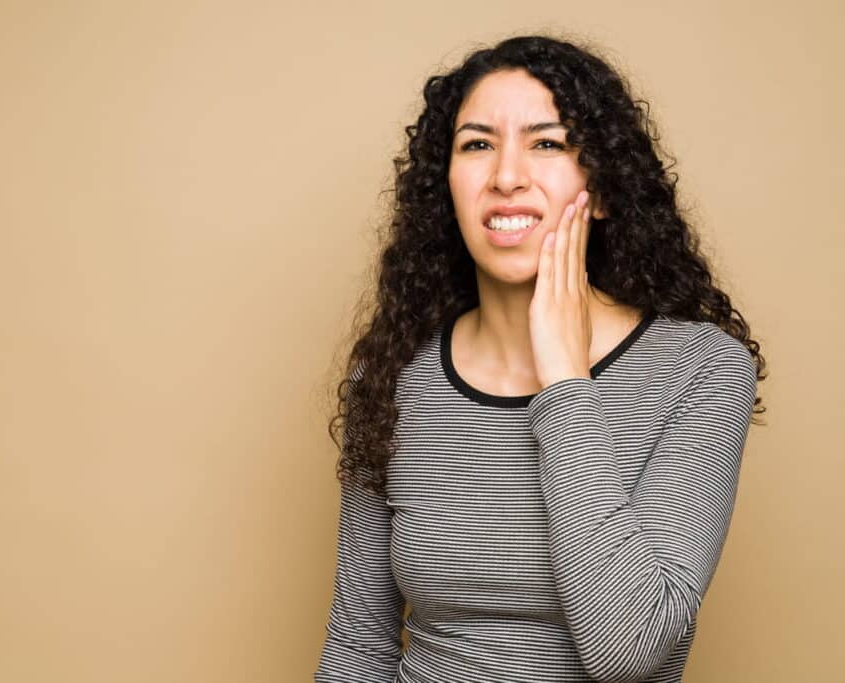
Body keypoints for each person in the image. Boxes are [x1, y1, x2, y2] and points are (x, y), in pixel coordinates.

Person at [314, 34, 767, 683]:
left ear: (605, 188)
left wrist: (564, 380)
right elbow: (358, 644)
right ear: (446, 189)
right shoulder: (390, 375)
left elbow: (630, 649)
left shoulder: (700, 368)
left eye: (547, 142)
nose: (505, 176)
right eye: (476, 144)